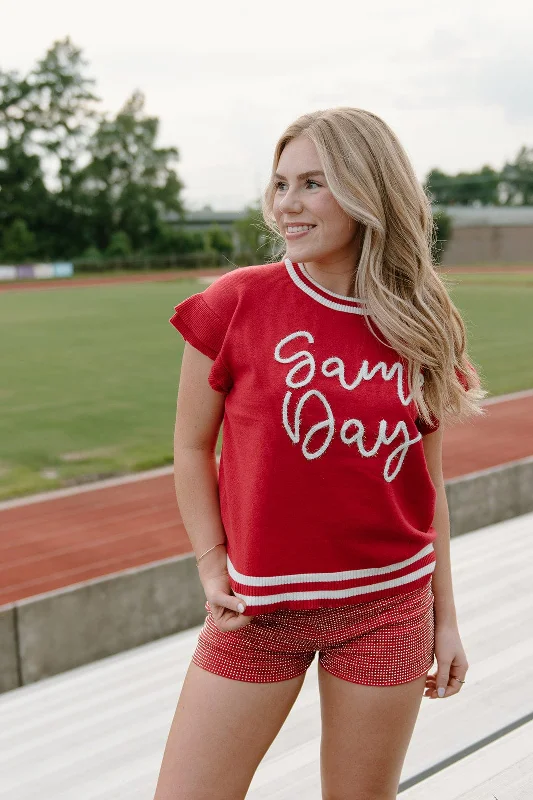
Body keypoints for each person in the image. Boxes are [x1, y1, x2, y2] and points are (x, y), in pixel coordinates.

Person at [153, 107, 486, 800]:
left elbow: (426, 483)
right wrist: (212, 564)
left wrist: (445, 619)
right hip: (257, 611)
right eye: (279, 184)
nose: (287, 204)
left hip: (387, 606)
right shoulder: (235, 302)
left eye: (312, 183)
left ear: (367, 190)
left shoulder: (415, 320)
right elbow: (189, 447)